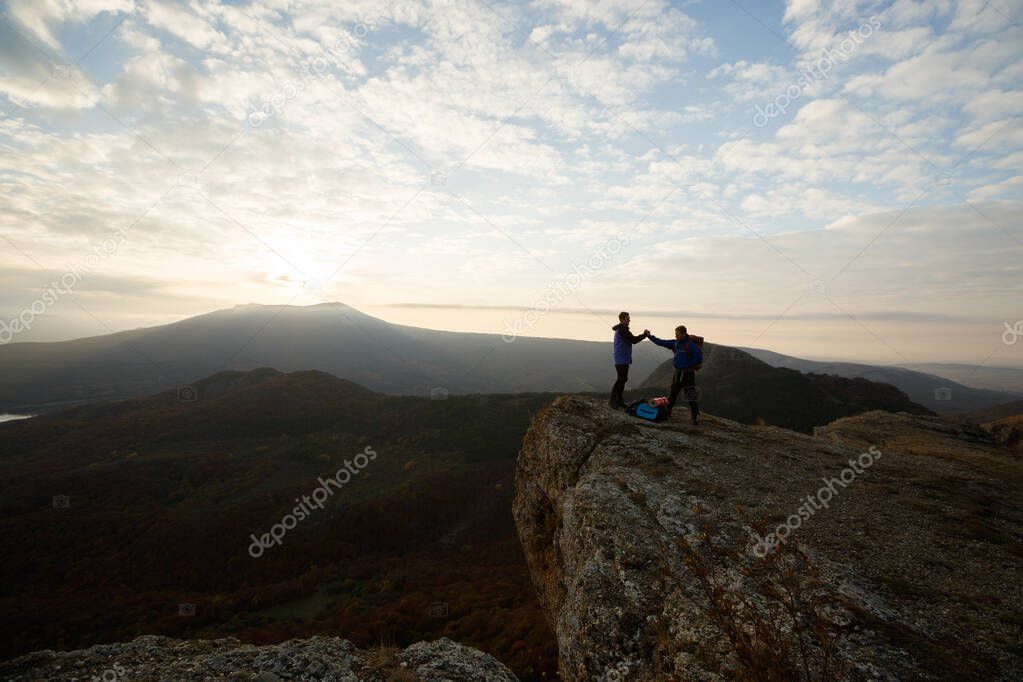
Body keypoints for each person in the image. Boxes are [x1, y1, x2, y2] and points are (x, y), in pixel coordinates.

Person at [649, 325, 702, 424]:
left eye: (677, 334)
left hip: (687, 374)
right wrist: (650, 336)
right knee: (673, 394)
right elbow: (661, 342)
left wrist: (686, 365)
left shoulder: (690, 345)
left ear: (683, 334)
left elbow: (698, 358)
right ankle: (668, 413)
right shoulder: (675, 343)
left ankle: (695, 416)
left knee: (690, 395)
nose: (675, 336)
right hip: (678, 373)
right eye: (675, 334)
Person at [609, 312, 649, 409]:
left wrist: (644, 335)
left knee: (623, 380)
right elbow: (634, 340)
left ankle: (619, 401)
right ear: (622, 320)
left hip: (623, 358)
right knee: (620, 380)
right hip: (621, 358)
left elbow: (632, 340)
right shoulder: (622, 330)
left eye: (629, 318)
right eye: (627, 319)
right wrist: (645, 335)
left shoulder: (623, 329)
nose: (629, 320)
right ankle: (612, 401)